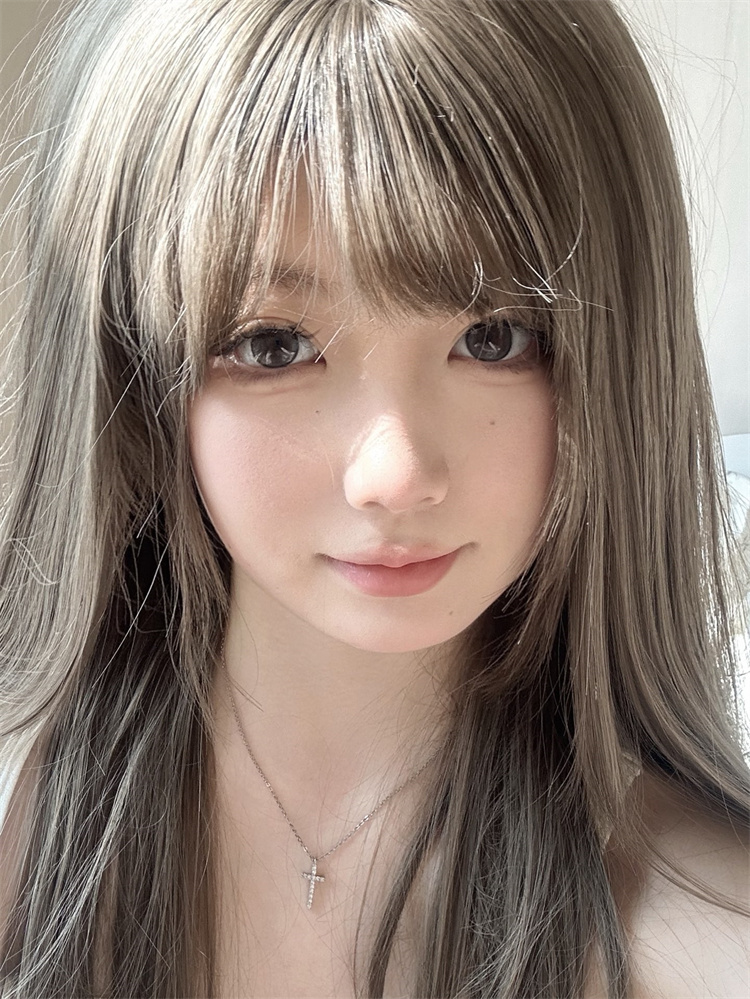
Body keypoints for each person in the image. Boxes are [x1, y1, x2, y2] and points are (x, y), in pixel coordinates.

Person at [0, 0, 748, 996]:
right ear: (133, 379)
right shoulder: (25, 825)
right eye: (274, 344)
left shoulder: (701, 935)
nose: (395, 474)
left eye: (492, 338)